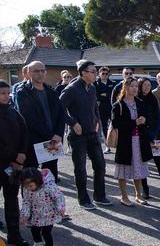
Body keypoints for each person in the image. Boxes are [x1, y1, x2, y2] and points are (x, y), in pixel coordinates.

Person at [59, 60, 111, 210]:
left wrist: (96, 120)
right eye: (93, 72)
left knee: (100, 165)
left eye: (96, 71)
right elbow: (58, 109)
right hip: (77, 136)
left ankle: (99, 196)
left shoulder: (93, 88)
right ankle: (83, 199)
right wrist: (73, 123)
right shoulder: (71, 89)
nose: (96, 74)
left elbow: (95, 106)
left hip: (92, 133)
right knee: (80, 169)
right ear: (83, 72)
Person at [14, 61, 66, 182]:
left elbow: (60, 115)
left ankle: (50, 201)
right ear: (28, 73)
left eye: (43, 71)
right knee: (31, 179)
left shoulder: (51, 91)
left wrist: (58, 134)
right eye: (36, 71)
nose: (40, 73)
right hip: (33, 141)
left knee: (50, 178)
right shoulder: (23, 92)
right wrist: (51, 135)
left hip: (53, 141)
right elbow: (29, 119)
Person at [111, 77, 152, 206]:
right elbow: (116, 123)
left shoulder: (140, 102)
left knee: (138, 168)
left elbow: (148, 118)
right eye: (132, 86)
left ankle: (138, 195)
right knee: (123, 168)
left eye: (136, 86)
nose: (134, 89)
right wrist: (134, 122)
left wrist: (145, 121)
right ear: (125, 87)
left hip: (139, 140)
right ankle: (124, 196)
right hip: (125, 142)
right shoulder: (118, 105)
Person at [0, 80, 29, 246]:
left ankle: (14, 234)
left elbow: (24, 134)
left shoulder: (13, 112)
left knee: (12, 199)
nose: (5, 96)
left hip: (15, 165)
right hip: (3, 163)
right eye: (2, 93)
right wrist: (13, 157)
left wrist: (22, 154)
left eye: (7, 93)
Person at [20, 167, 65, 246]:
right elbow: (26, 201)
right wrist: (25, 214)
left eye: (31, 186)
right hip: (36, 214)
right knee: (34, 229)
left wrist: (61, 208)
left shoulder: (49, 187)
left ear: (38, 181)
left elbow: (58, 197)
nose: (29, 188)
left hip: (49, 214)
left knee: (46, 232)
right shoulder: (27, 189)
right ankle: (38, 244)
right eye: (26, 186)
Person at [96, 66, 116, 153]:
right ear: (99, 74)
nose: (104, 75)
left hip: (111, 108)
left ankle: (116, 143)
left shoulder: (113, 83)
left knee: (115, 125)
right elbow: (96, 96)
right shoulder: (95, 84)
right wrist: (102, 96)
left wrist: (105, 95)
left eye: (106, 74)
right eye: (103, 73)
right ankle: (107, 146)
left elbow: (112, 95)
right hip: (101, 109)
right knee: (104, 127)